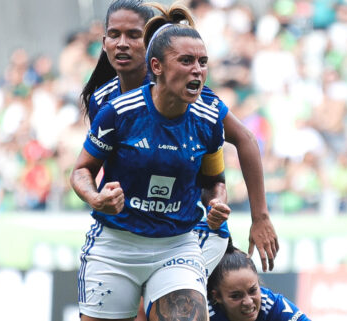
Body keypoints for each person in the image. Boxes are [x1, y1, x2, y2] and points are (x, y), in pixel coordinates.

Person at [80, 0, 279, 273]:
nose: (122, 43)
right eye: (115, 35)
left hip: (188, 227)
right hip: (136, 231)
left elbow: (241, 143)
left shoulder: (188, 93)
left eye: (134, 35)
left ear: (152, 45)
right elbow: (106, 168)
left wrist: (259, 216)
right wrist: (100, 198)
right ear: (104, 41)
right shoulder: (103, 101)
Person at [70, 3, 231, 320]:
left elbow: (213, 182)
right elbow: (81, 170)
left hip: (176, 246)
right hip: (115, 245)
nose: (197, 69)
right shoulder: (118, 111)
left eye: (202, 62)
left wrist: (218, 203)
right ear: (156, 66)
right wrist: (94, 197)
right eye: (186, 61)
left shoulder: (209, 119)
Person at [207, 239, 311, 321]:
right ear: (217, 296)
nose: (248, 302)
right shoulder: (203, 312)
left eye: (253, 291)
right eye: (236, 296)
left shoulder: (272, 305)